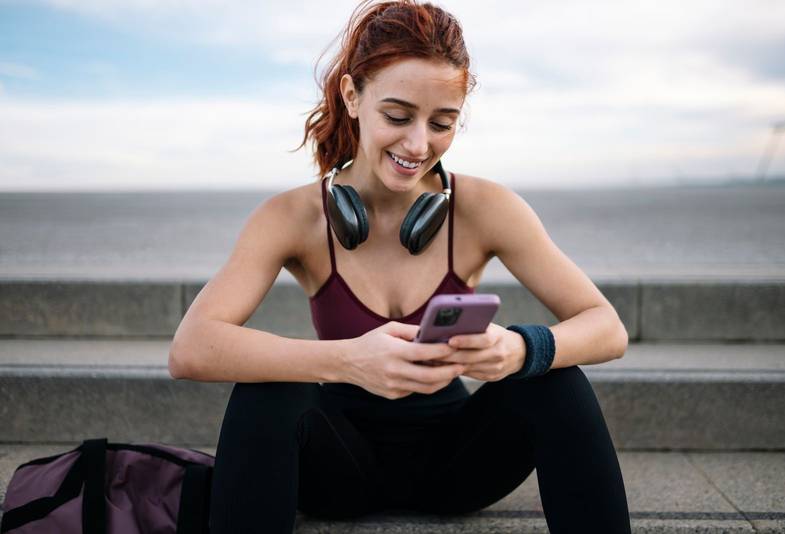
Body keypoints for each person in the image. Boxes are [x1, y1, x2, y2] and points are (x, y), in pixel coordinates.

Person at [168, 1, 632, 532]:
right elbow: (191, 348)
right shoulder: (291, 217)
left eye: (442, 123)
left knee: (554, 378)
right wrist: (347, 361)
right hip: (337, 466)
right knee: (267, 389)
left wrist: (519, 349)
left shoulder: (486, 208)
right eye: (397, 116)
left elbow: (607, 328)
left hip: (457, 465)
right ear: (352, 96)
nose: (418, 144)